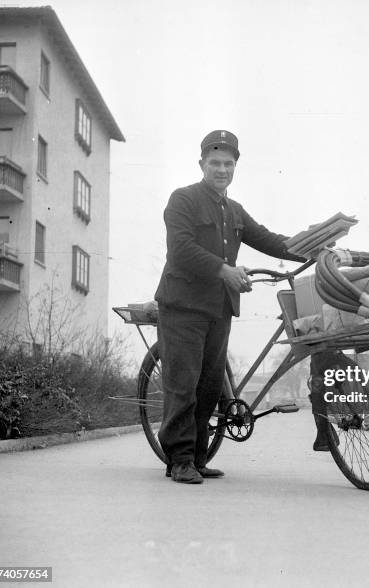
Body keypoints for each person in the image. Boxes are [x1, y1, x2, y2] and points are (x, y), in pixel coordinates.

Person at [154, 130, 305, 484]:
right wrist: (224, 270)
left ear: (236, 167)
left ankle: (198, 458)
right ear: (202, 164)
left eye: (228, 164)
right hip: (182, 306)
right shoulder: (183, 200)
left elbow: (268, 239)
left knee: (209, 387)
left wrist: (312, 247)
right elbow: (181, 249)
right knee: (183, 385)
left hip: (218, 309)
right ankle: (178, 460)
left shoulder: (233, 209)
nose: (222, 169)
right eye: (215, 163)